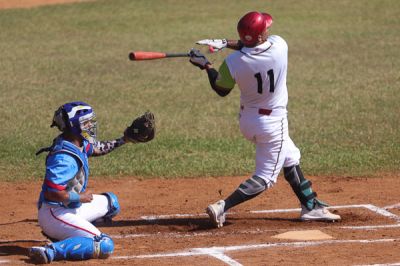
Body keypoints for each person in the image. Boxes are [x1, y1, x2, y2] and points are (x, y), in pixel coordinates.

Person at [189, 11, 341, 228]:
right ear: (260, 35)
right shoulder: (280, 46)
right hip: (272, 123)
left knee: (290, 156)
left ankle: (310, 205)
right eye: (265, 28)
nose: (268, 30)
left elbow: (221, 89)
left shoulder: (233, 63)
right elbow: (253, 44)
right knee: (266, 176)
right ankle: (222, 206)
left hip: (248, 121)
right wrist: (227, 43)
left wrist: (206, 65)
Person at [29, 101, 155, 263]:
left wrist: (124, 140)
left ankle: (72, 233)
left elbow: (97, 148)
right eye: (86, 122)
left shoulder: (77, 143)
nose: (91, 125)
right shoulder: (64, 159)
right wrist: (79, 198)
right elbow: (51, 193)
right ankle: (51, 251)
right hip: (55, 214)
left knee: (111, 203)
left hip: (70, 208)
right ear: (74, 126)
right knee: (104, 244)